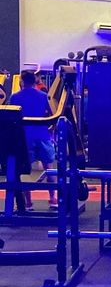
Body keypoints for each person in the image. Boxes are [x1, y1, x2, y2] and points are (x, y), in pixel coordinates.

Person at [9, 69, 57, 209]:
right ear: (34, 80)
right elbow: (53, 115)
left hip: (25, 136)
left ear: (22, 81)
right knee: (49, 167)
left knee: (26, 170)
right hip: (42, 135)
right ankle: (53, 199)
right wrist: (51, 130)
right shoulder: (43, 96)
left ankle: (28, 202)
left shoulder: (15, 97)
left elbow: (11, 119)